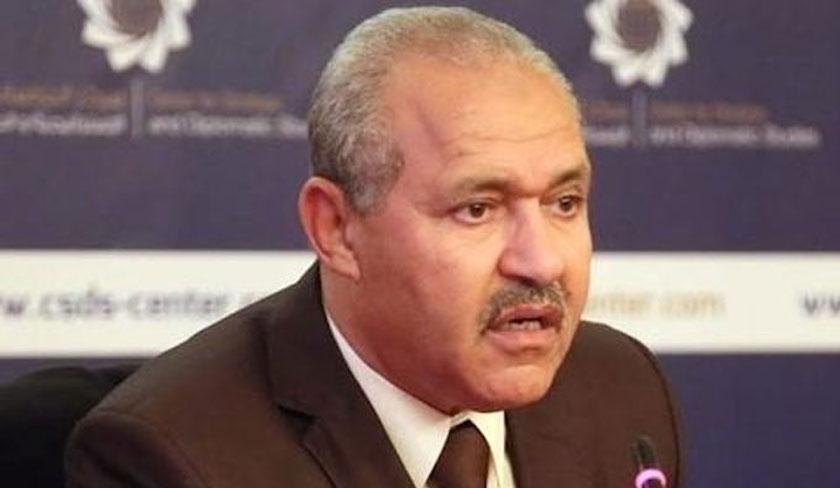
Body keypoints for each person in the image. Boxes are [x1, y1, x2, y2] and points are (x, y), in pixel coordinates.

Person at [65, 6, 681, 487]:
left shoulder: (621, 389)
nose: (541, 261)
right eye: (478, 209)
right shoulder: (174, 456)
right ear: (336, 228)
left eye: (564, 203)